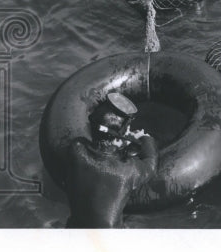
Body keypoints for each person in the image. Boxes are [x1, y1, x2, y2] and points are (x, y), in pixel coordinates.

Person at [64, 92, 158, 228]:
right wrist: (145, 137)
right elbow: (151, 165)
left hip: (74, 229)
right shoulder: (128, 169)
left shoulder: (76, 149)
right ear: (122, 134)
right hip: (108, 241)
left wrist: (117, 144)